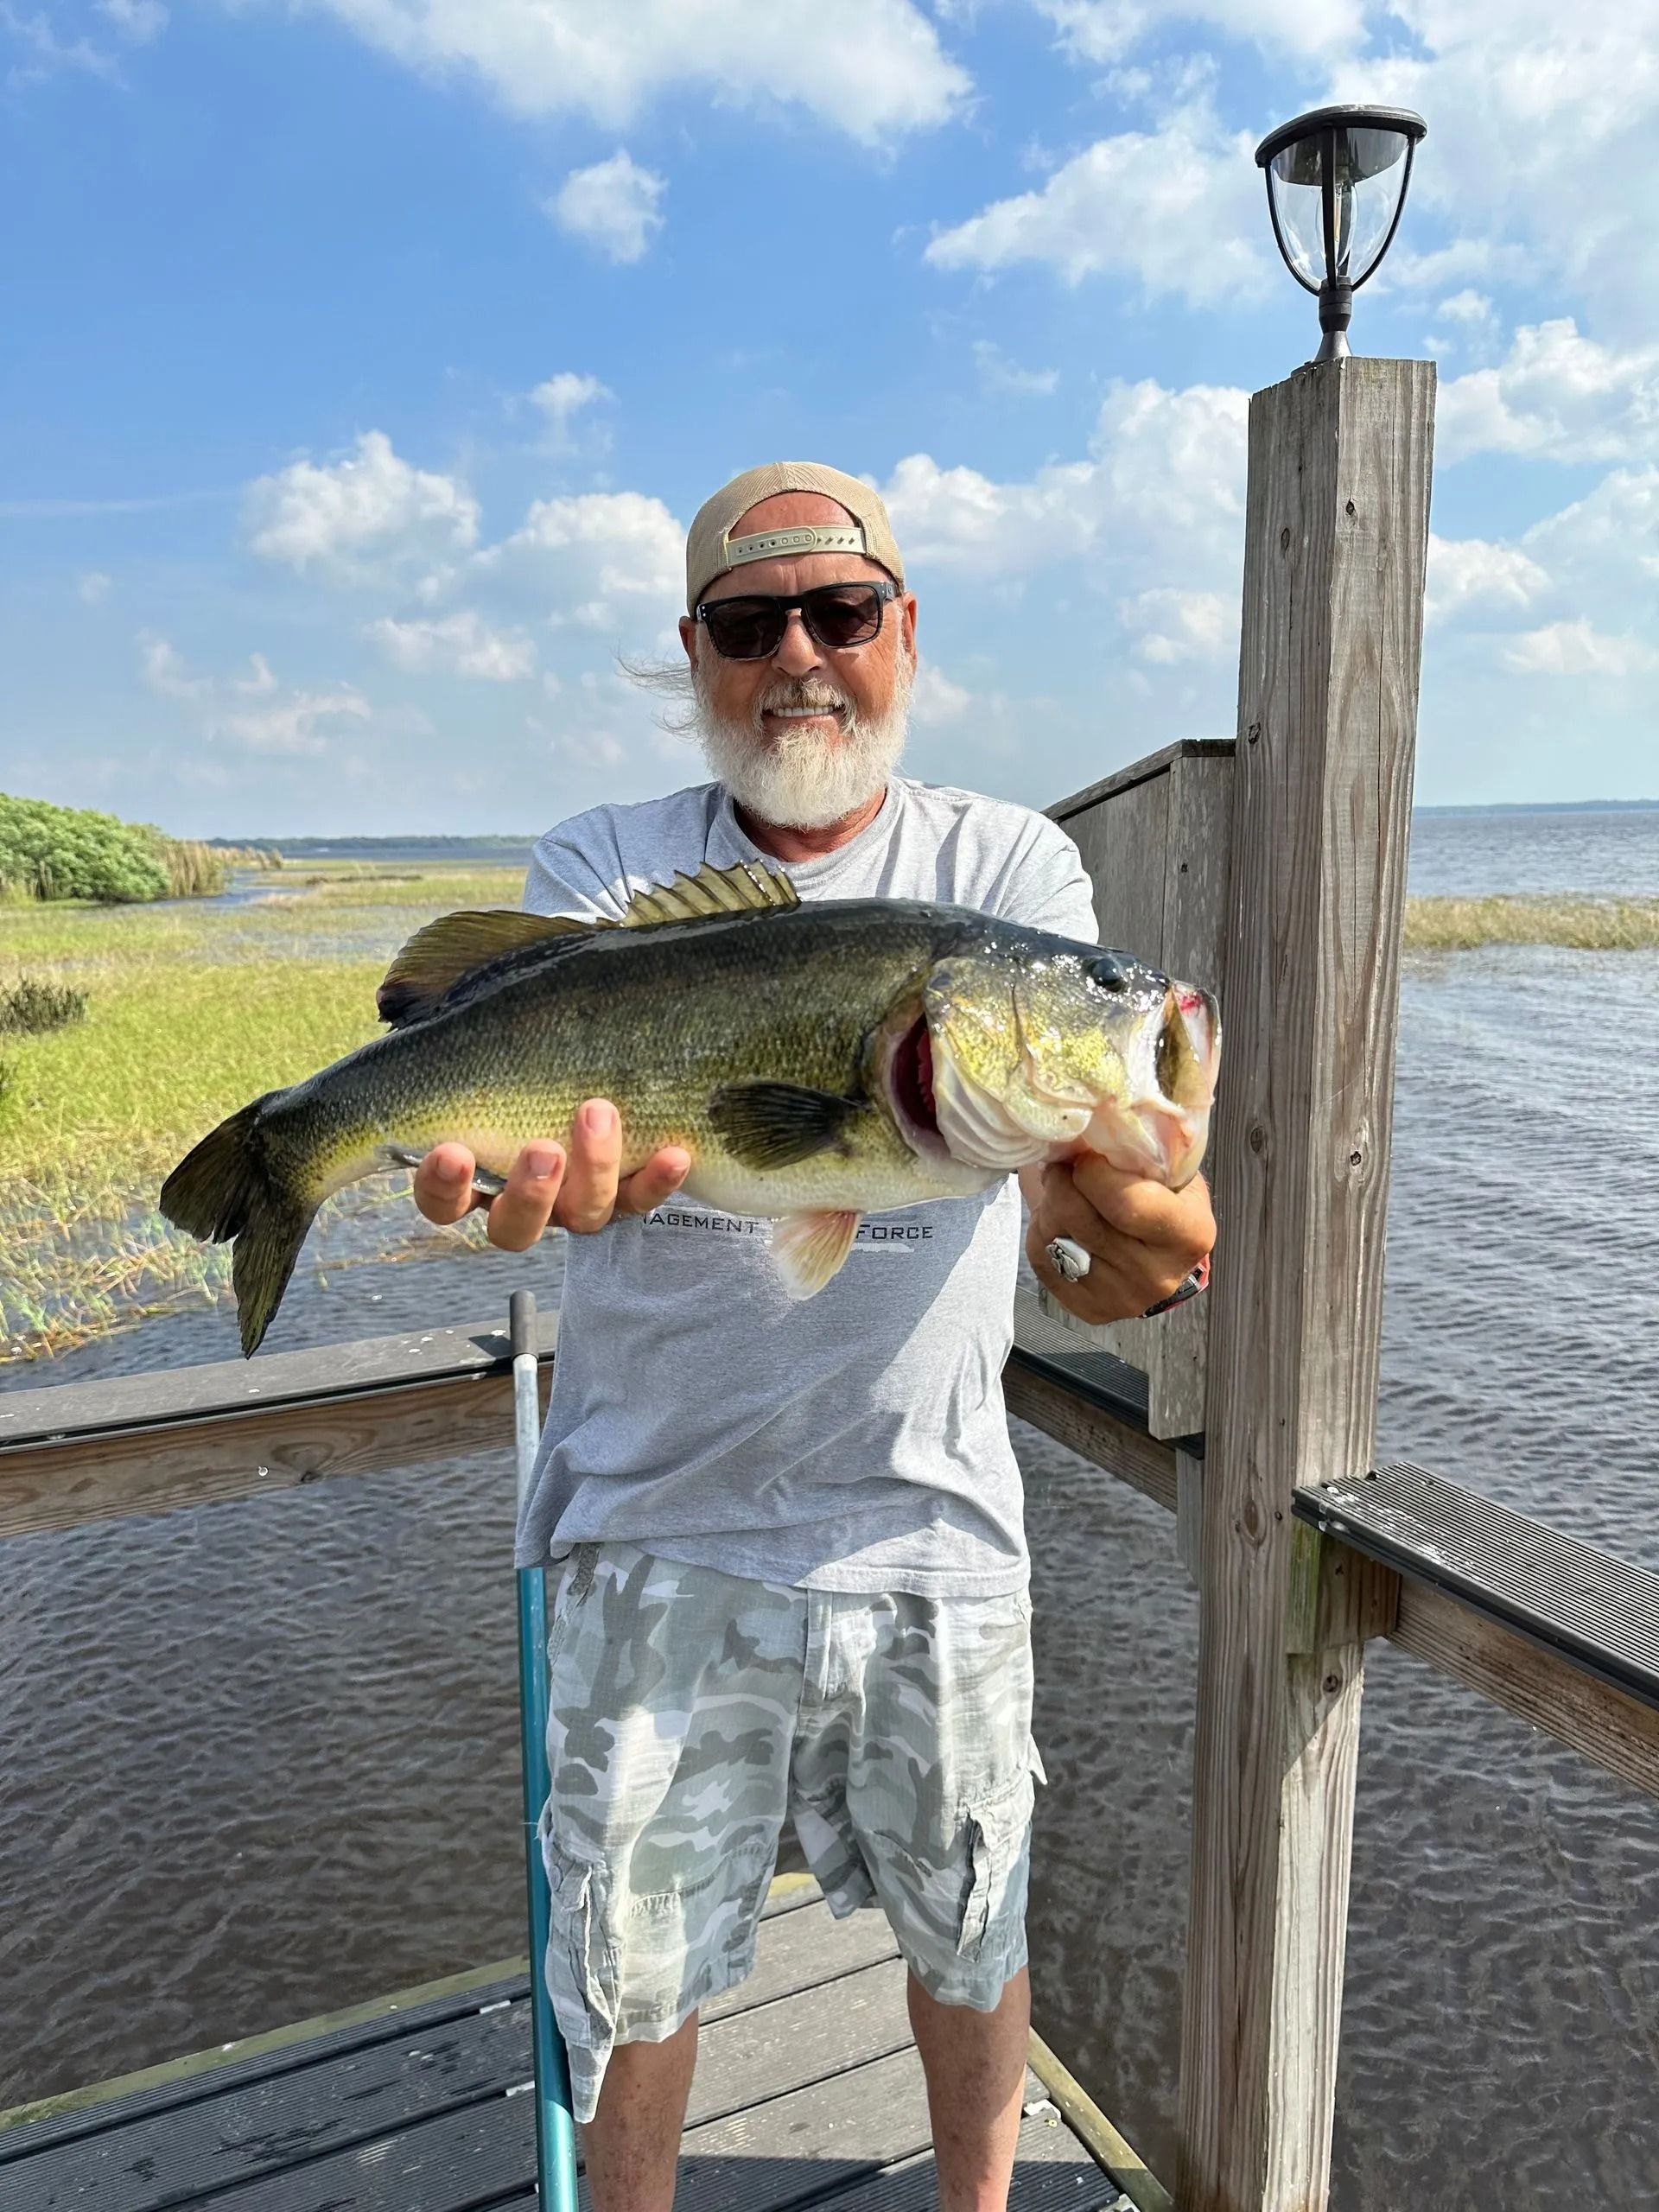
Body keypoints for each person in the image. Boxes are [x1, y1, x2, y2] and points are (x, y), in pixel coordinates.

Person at [412, 461, 1215, 2212]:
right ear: (691, 650)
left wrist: (1131, 1247)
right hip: (650, 1519)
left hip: (934, 1521)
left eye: (841, 612)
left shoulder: (1002, 865)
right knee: (631, 1971)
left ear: (903, 631)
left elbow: (1085, 1209)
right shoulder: (604, 869)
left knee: (971, 1920)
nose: (800, 656)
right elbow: (509, 1149)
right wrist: (503, 1195)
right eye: (748, 621)